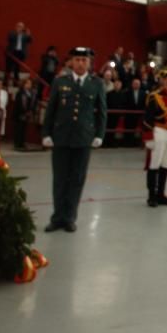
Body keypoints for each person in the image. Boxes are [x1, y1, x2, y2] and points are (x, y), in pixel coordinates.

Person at [41, 47, 106, 233]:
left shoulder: (96, 84)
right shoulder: (60, 82)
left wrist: (99, 135)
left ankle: (70, 218)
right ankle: (57, 218)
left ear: (89, 63)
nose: (80, 63)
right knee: (60, 179)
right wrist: (46, 133)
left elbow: (102, 112)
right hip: (61, 138)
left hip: (83, 139)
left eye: (84, 60)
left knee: (77, 179)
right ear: (71, 62)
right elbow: (51, 110)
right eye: (77, 60)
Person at [142, 67, 167, 207]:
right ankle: (151, 196)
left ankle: (161, 194)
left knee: (166, 164)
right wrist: (149, 138)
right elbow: (147, 118)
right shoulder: (154, 96)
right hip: (158, 132)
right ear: (163, 80)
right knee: (155, 164)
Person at [13, 77, 38, 150]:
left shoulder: (31, 93)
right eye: (27, 83)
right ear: (24, 84)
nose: (29, 85)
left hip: (27, 113)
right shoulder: (20, 93)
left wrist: (30, 111)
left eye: (30, 84)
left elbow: (33, 103)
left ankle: (22, 143)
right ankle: (17, 143)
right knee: (19, 129)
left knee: (24, 129)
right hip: (20, 113)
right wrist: (24, 111)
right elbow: (19, 104)